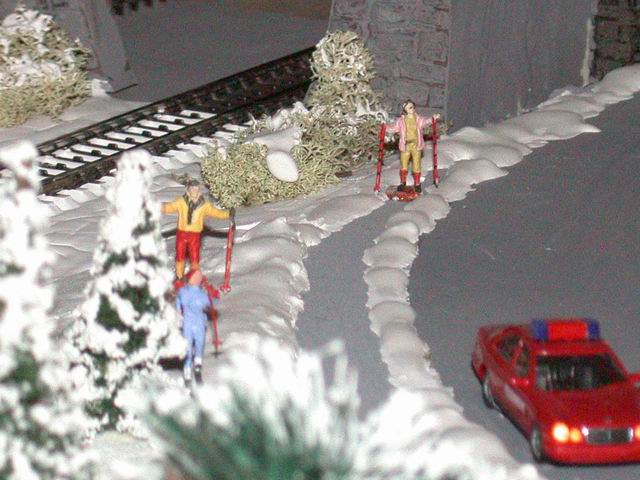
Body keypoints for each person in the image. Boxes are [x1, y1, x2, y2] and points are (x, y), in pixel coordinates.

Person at [162, 180, 230, 280]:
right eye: (192, 189)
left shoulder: (204, 205)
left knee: (194, 257)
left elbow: (216, 213)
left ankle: (194, 276)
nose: (194, 191)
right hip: (182, 234)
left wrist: (228, 214)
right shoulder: (181, 202)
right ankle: (179, 276)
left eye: (196, 189)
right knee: (180, 255)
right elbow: (169, 207)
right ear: (188, 189)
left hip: (195, 235)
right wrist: (157, 207)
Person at [175, 269, 214, 385]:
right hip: (188, 322)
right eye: (195, 277)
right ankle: (187, 372)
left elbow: (210, 304)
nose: (198, 279)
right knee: (188, 347)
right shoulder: (185, 292)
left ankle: (197, 367)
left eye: (199, 277)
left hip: (199, 322)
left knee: (199, 344)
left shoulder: (202, 293)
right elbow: (180, 301)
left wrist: (212, 296)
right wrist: (179, 312)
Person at [386, 99, 429, 193]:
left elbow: (426, 122)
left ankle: (417, 184)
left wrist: (432, 119)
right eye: (409, 107)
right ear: (405, 109)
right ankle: (403, 183)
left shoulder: (418, 119)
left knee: (416, 165)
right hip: (405, 145)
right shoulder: (401, 121)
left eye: (412, 106)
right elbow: (394, 129)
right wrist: (385, 127)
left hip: (416, 145)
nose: (411, 108)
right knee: (404, 165)